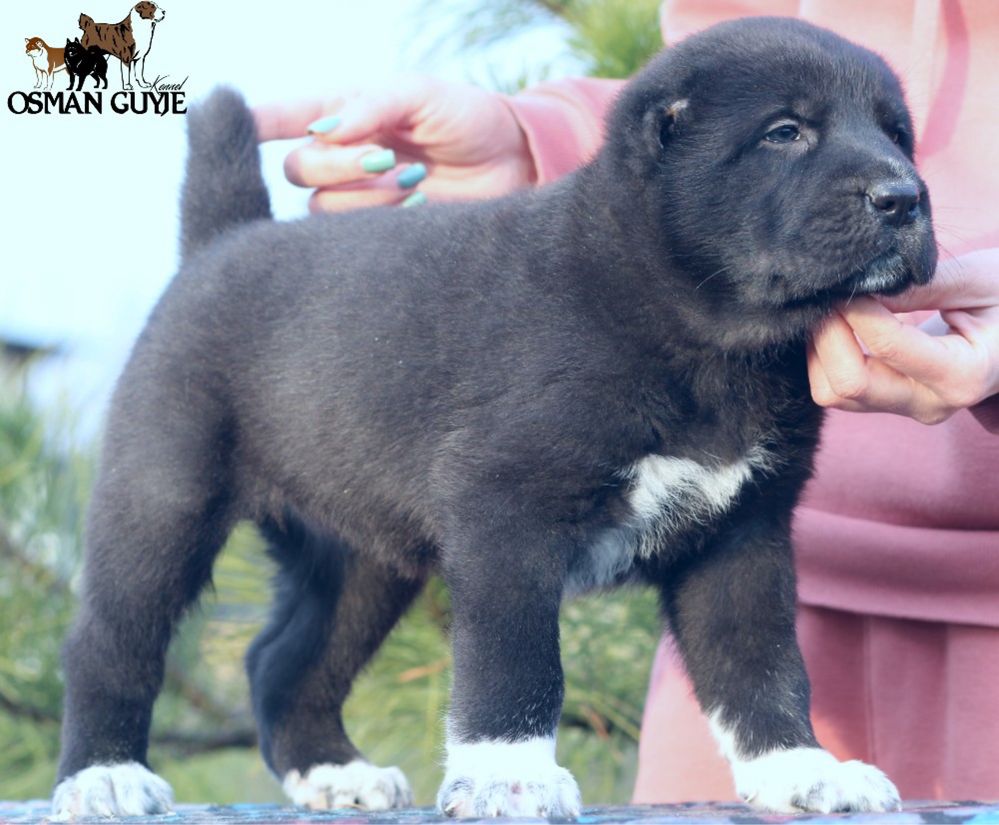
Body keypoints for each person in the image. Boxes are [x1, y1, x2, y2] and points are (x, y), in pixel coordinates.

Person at [253, 0, 999, 801]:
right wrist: (536, 138)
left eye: (894, 135)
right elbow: (694, 101)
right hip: (793, 613)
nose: (894, 178)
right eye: (790, 133)